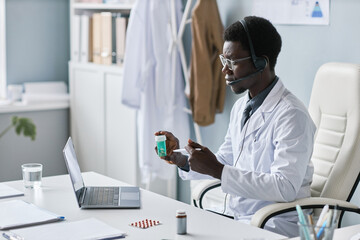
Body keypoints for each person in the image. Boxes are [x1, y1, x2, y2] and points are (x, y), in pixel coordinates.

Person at [154, 16, 316, 237]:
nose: (224, 71)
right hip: (242, 220)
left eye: (233, 63)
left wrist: (217, 169)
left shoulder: (292, 115)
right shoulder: (242, 107)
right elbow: (228, 160)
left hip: (276, 226)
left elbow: (285, 187)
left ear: (261, 63)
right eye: (224, 61)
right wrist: (182, 159)